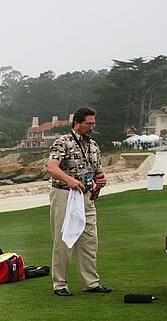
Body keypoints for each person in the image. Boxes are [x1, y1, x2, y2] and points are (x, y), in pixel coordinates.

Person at [45, 106, 111, 297]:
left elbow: (98, 170)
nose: (92, 127)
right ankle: (60, 284)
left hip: (86, 196)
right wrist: (70, 180)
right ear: (77, 123)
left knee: (89, 240)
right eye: (88, 124)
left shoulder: (93, 146)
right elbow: (51, 167)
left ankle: (91, 282)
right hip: (64, 194)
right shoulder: (62, 142)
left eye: (93, 124)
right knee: (63, 240)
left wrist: (101, 180)